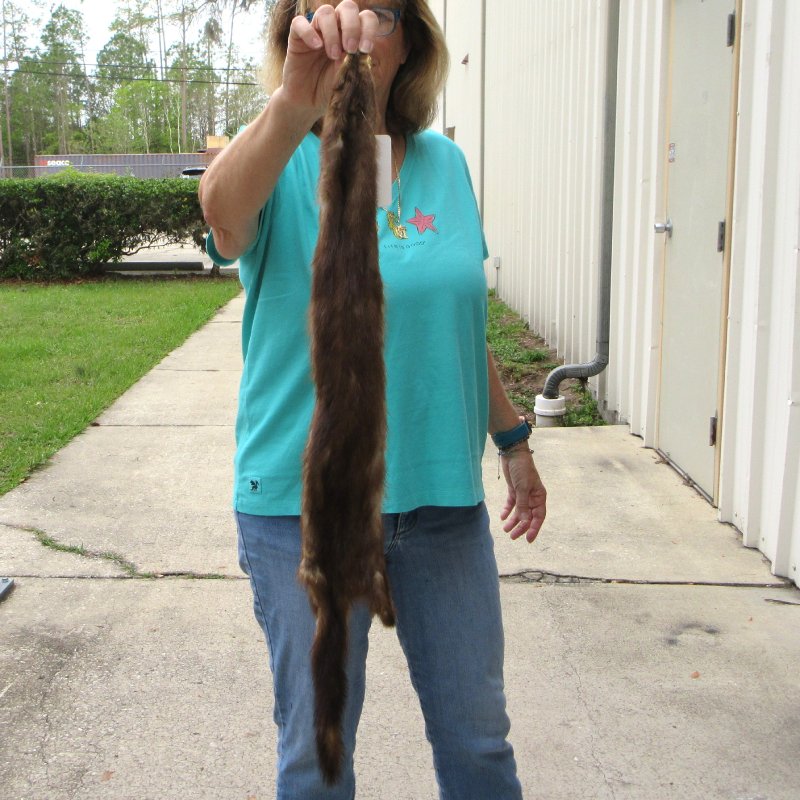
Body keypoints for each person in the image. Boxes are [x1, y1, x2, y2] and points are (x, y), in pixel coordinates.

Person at [198, 1, 547, 798]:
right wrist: (296, 100)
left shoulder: (444, 164)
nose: (351, 30)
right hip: (302, 512)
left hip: (440, 506)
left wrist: (514, 442)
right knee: (317, 757)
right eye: (326, 9)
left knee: (480, 746)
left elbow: (455, 325)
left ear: (409, 40)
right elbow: (221, 214)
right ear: (297, 33)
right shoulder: (278, 156)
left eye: (376, 12)